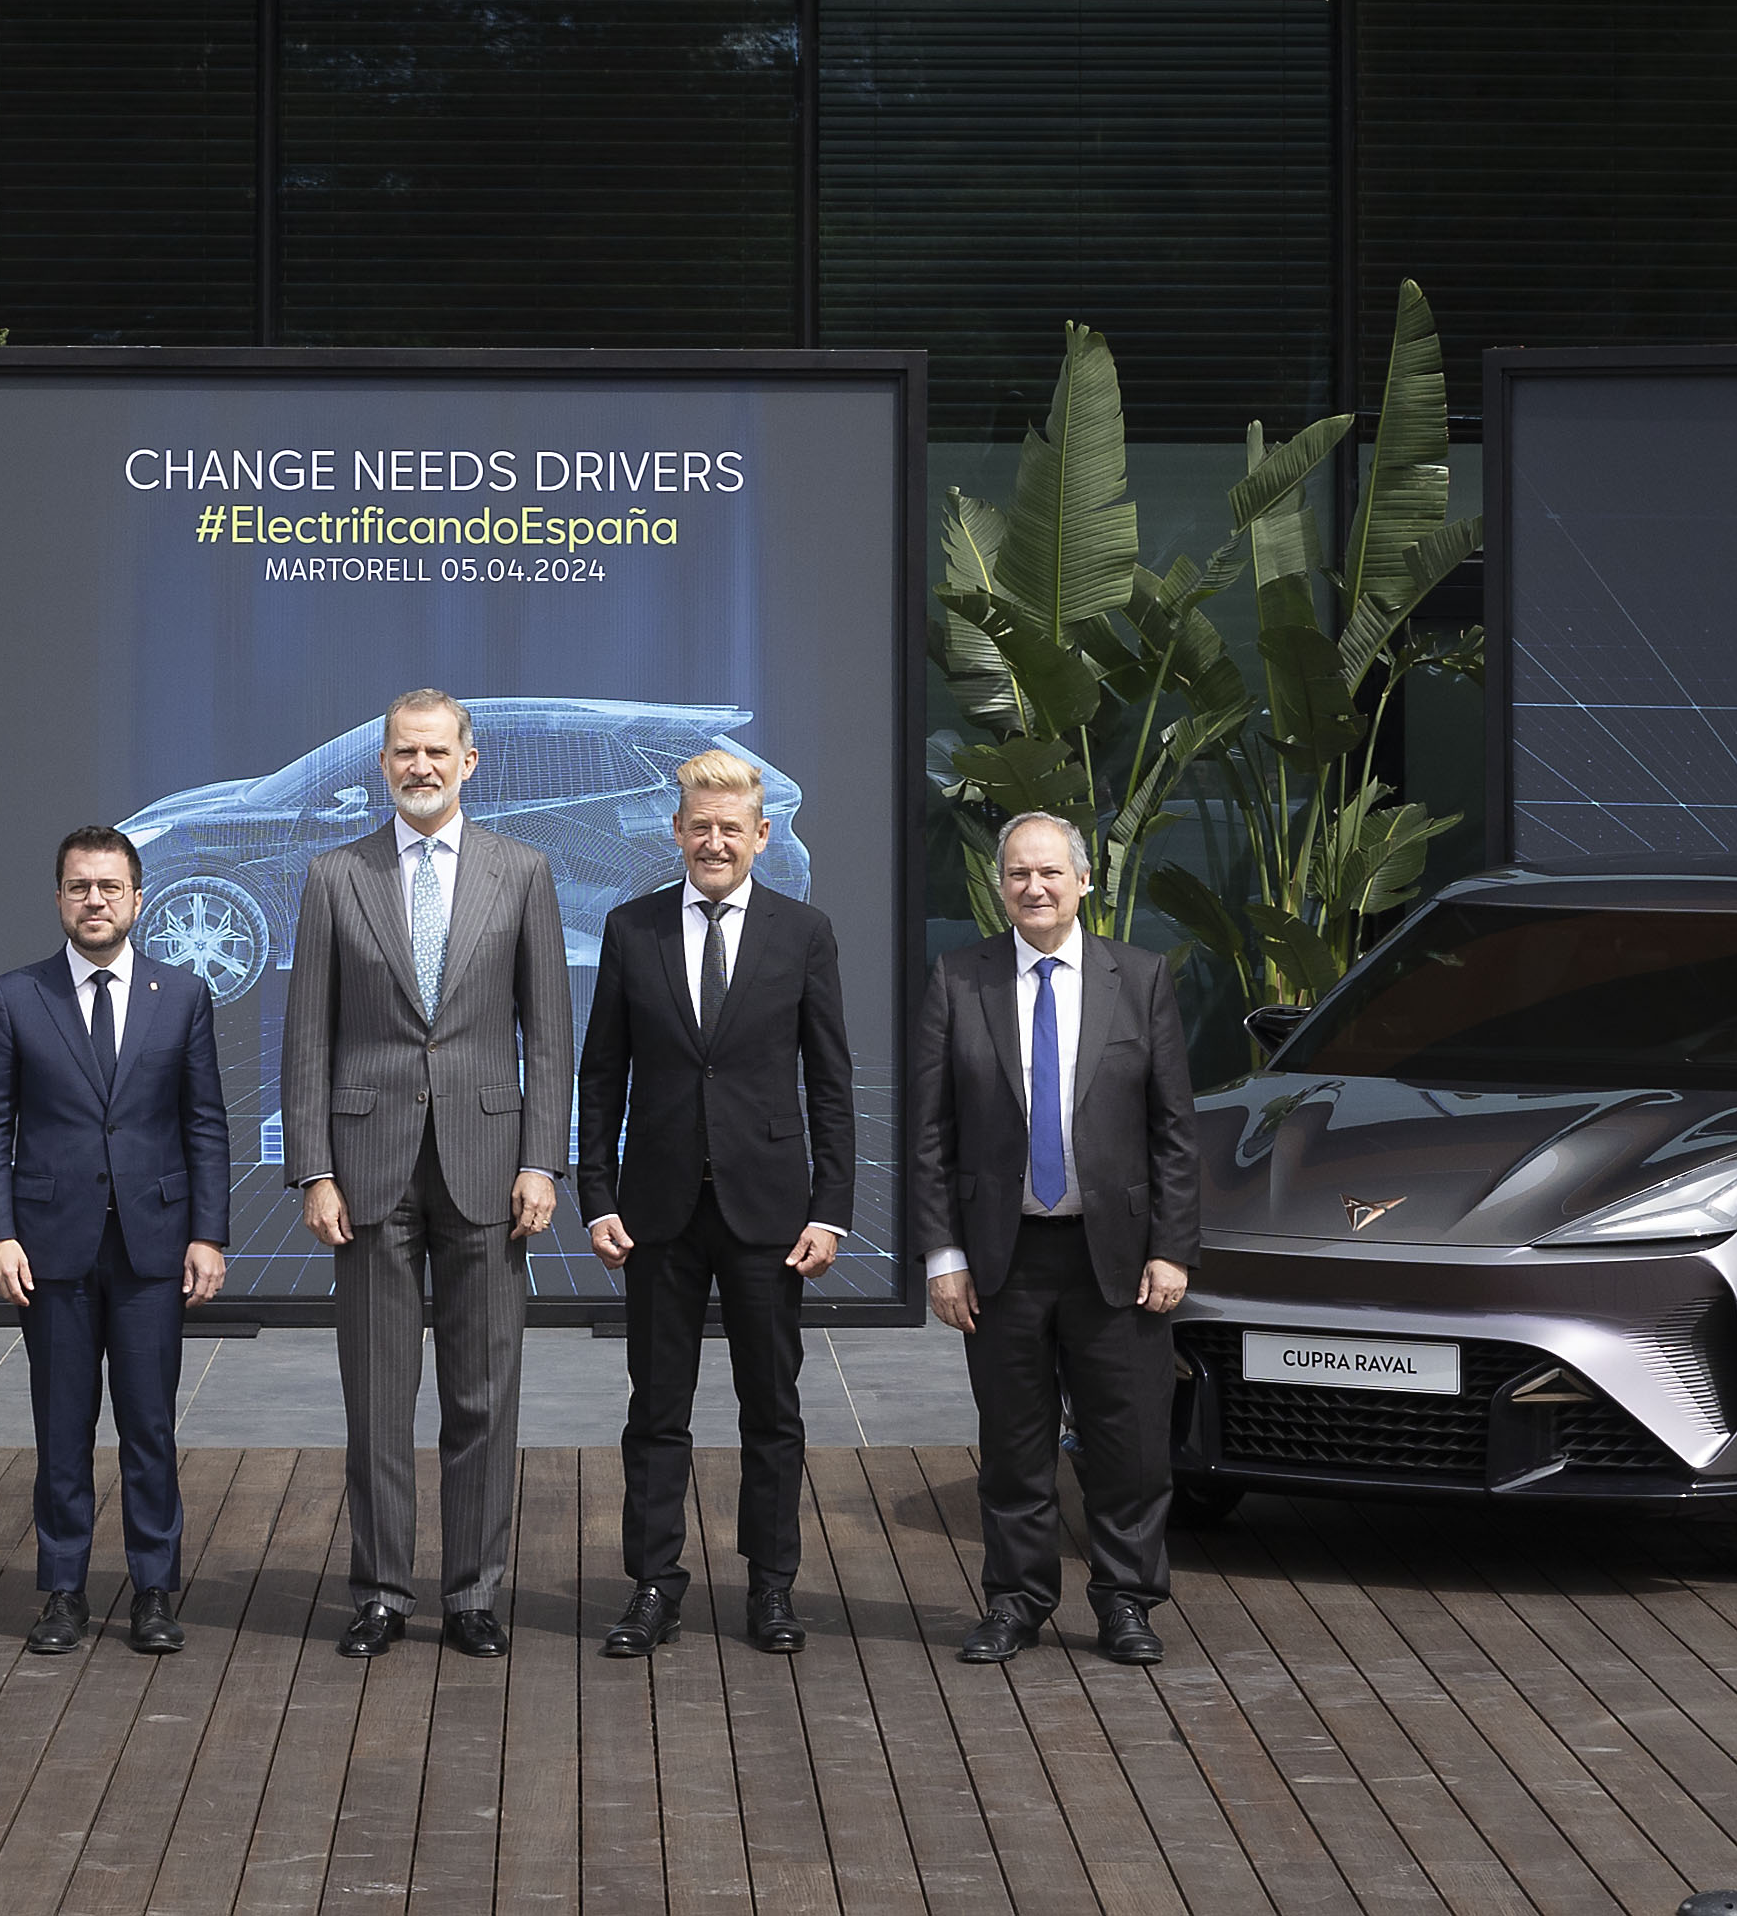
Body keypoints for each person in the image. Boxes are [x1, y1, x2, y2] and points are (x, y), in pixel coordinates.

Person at [283, 688, 570, 1660]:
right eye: (403, 751)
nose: (419, 765)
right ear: (382, 763)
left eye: (435, 750)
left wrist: (542, 1159)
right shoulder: (334, 875)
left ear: (469, 760)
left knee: (483, 1395)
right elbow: (305, 1038)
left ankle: (474, 1594)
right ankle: (377, 1592)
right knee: (375, 1395)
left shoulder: (522, 871)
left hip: (489, 1169)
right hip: (365, 1172)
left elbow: (550, 1034)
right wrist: (313, 1170)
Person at [575, 748, 854, 1660]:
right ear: (677, 831)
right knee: (656, 1411)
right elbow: (601, 1075)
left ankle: (771, 1588)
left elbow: (831, 1084)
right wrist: (596, 1194)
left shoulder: (803, 932)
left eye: (732, 828)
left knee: (772, 1411)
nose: (714, 841)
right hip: (655, 1212)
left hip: (771, 1215)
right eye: (700, 826)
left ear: (762, 835)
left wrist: (831, 1208)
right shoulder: (632, 929)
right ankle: (653, 1586)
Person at [904, 810, 1197, 1666]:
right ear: (1000, 888)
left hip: (1119, 1257)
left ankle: (1127, 1602)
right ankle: (1016, 1601)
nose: (1034, 888)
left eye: (1050, 874)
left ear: (1083, 882)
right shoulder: (960, 979)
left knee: (1131, 1446)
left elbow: (1174, 1129)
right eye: (1018, 875)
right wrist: (943, 1256)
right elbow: (931, 1131)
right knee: (1013, 1447)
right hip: (1003, 1259)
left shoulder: (1139, 978)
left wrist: (1172, 1247)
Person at [0, 826, 231, 1658]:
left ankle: (155, 1590)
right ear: (57, 899)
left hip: (155, 1246)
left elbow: (206, 1126)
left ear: (137, 899)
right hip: (49, 1249)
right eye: (80, 887)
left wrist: (209, 1235)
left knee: (150, 1427)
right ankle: (62, 1592)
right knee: (63, 1428)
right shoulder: (16, 997)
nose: (95, 901)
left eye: (110, 887)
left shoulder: (181, 995)